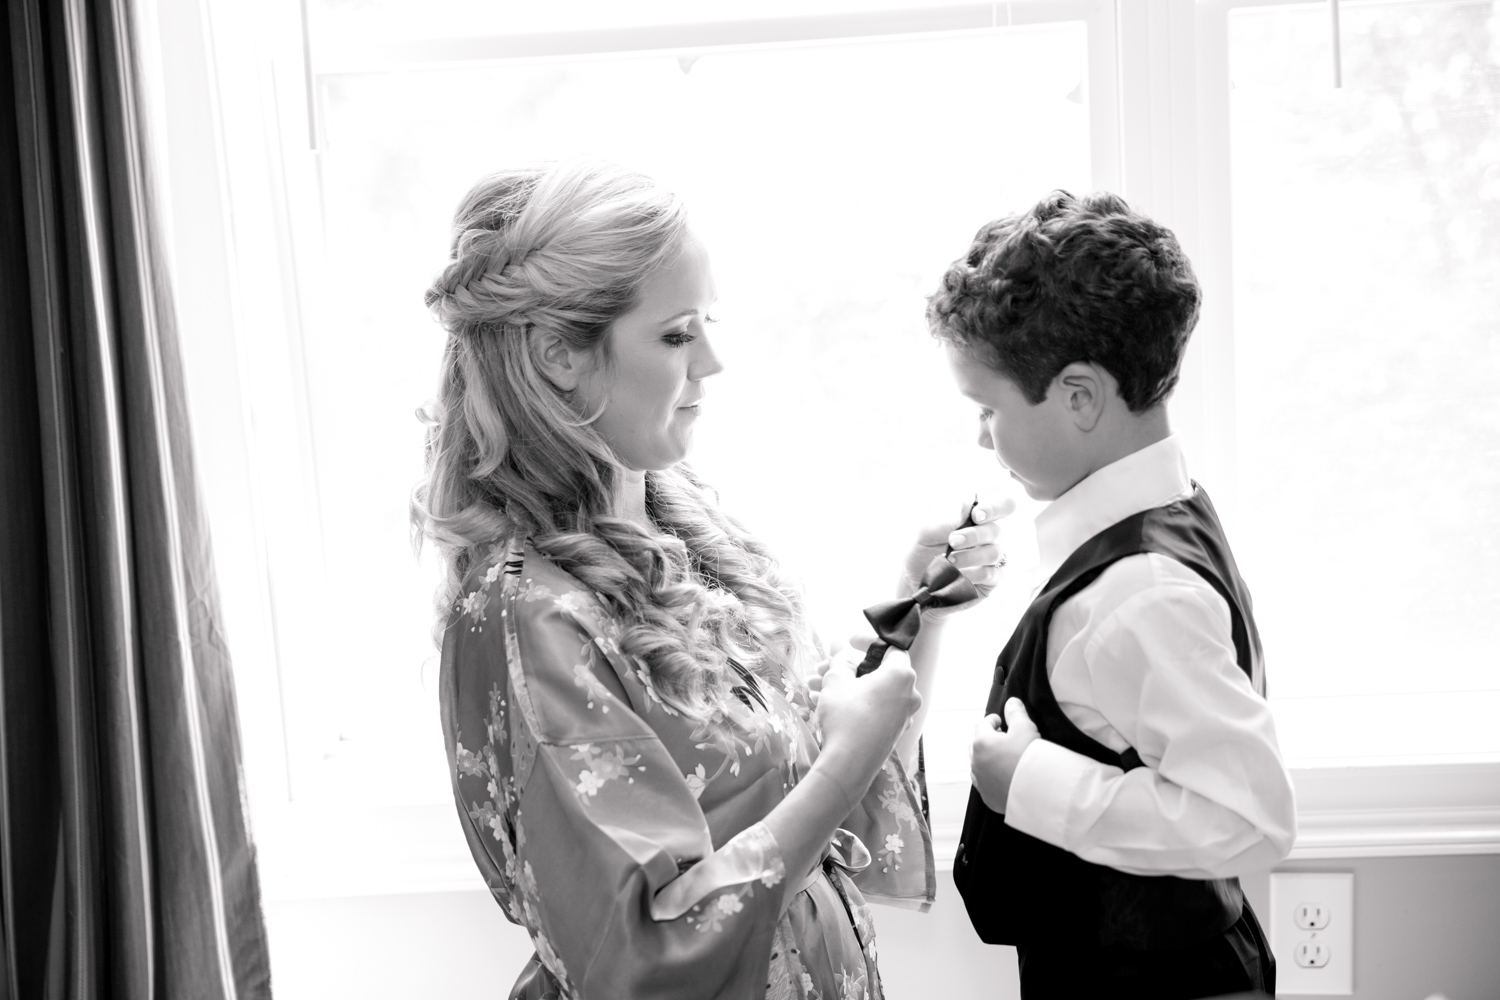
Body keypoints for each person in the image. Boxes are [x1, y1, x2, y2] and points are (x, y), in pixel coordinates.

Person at [412, 159, 1006, 1000]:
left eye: (708, 325)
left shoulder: (690, 533)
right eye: (677, 335)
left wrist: (919, 612)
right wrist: (847, 759)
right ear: (559, 355)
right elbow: (648, 958)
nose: (714, 362)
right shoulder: (525, 614)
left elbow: (813, 794)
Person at [932, 191, 1297, 999]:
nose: (981, 436)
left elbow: (1249, 818)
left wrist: (1028, 782)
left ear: (1080, 396)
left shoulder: (1143, 593)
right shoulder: (1145, 519)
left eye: (988, 409)